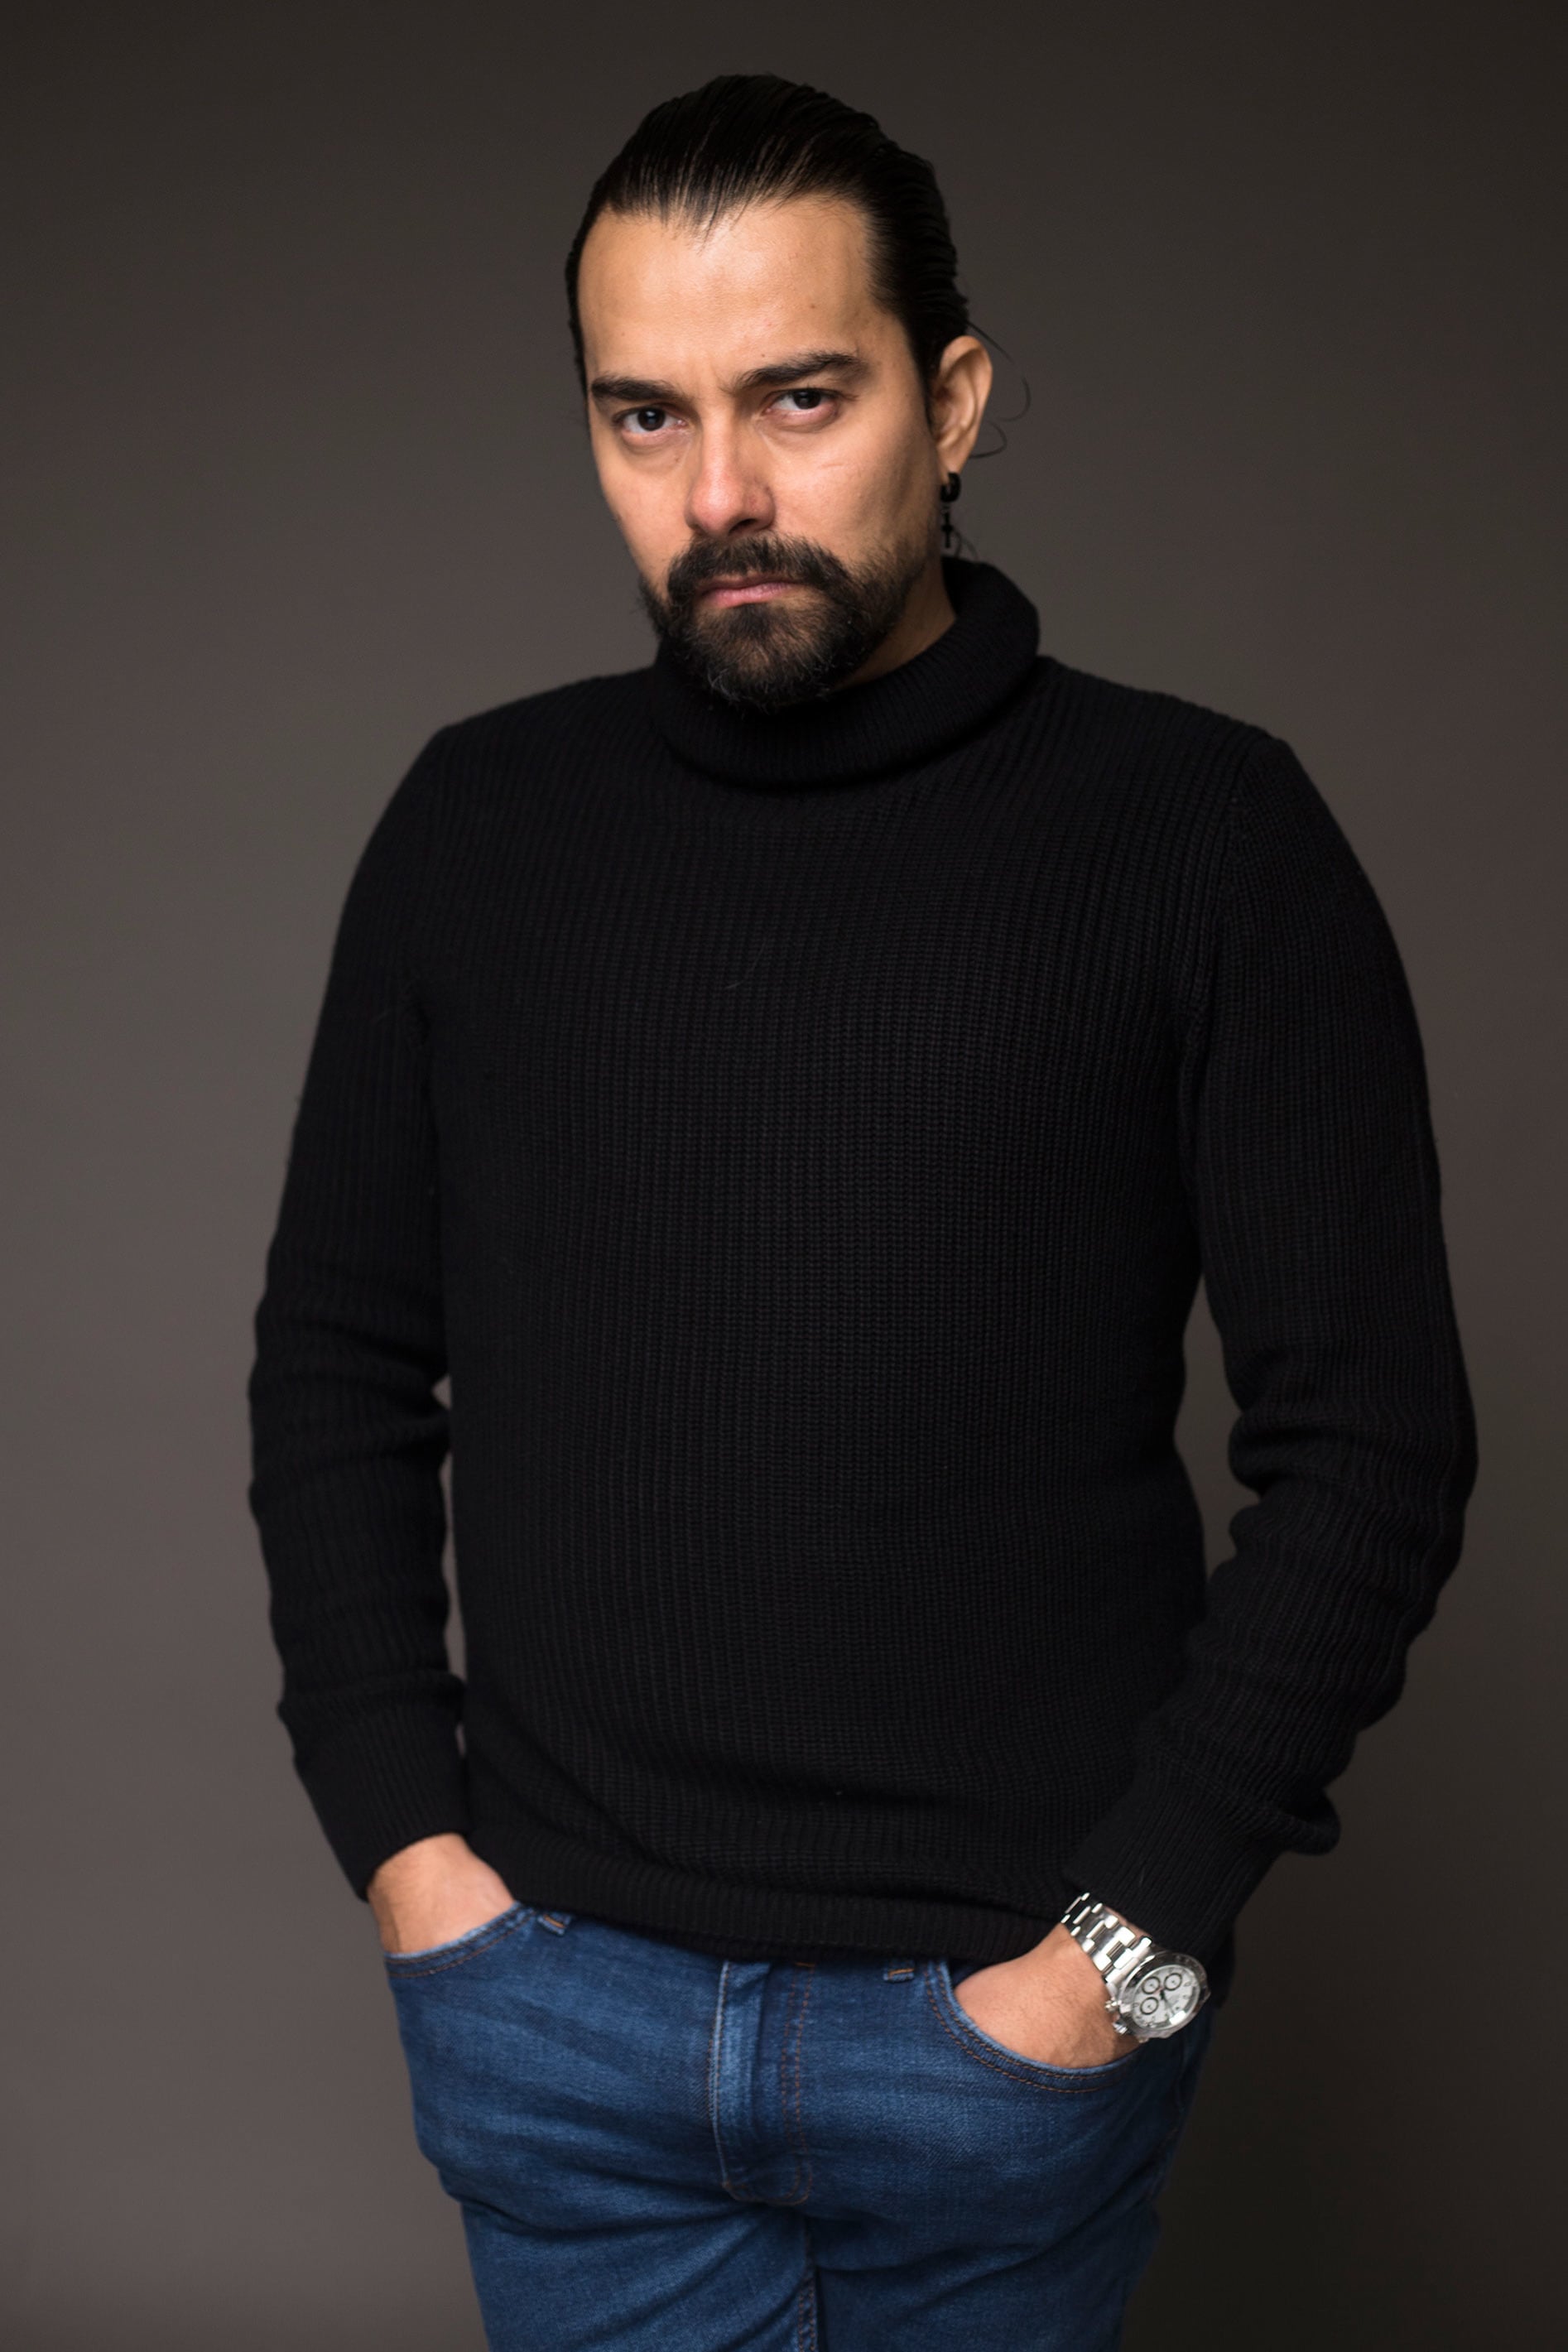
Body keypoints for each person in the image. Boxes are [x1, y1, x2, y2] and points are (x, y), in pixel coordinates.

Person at [247, 72, 1478, 2352]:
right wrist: (412, 1864)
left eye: (799, 398)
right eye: (644, 416)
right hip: (558, 2022)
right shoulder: (475, 826)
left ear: (958, 399)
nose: (720, 492)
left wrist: (1123, 1952)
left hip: (1004, 2034)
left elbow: (1375, 1448)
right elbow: (337, 1361)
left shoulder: (1203, 836)